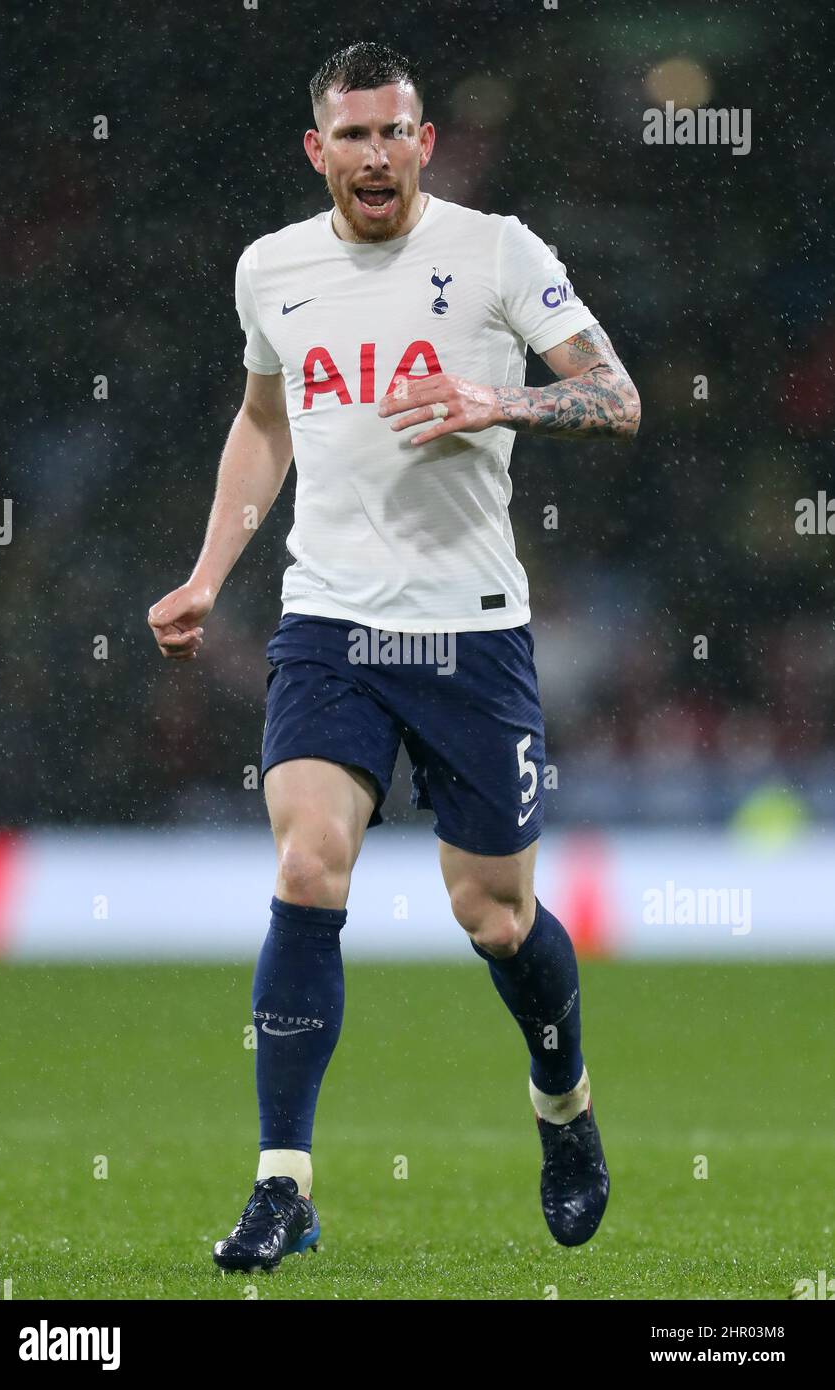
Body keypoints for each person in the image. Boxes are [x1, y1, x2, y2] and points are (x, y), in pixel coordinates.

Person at [148, 40, 640, 1274]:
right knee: (308, 861)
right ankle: (282, 1183)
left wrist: (502, 402)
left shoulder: (497, 253)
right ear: (318, 150)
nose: (376, 155)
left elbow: (618, 396)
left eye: (396, 132)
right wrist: (209, 574)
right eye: (352, 135)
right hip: (328, 628)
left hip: (472, 633)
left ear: (426, 140)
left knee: (494, 913)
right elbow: (264, 423)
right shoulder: (273, 269)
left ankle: (564, 1108)